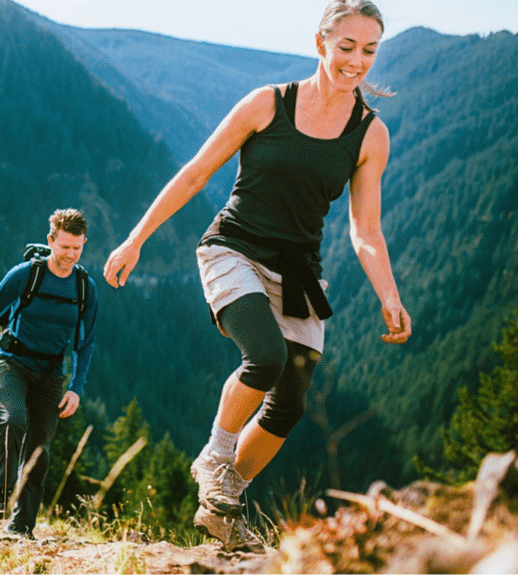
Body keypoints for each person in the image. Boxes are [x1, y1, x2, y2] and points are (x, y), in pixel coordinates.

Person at [102, 0, 412, 553]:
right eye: (346, 47)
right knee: (264, 358)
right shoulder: (268, 104)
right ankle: (216, 457)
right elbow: (197, 171)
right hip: (234, 249)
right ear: (320, 44)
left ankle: (223, 503)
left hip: (298, 270)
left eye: (369, 50)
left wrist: (389, 294)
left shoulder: (370, 135)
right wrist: (136, 237)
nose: (357, 61)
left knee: (290, 399)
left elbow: (365, 229)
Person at [0, 208, 98, 539]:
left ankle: (22, 528)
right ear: (51, 240)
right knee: (12, 419)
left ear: (84, 245)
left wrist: (76, 387)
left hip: (50, 374)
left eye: (77, 248)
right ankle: (2, 494)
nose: (70, 255)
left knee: (39, 451)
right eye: (64, 247)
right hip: (12, 363)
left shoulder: (85, 288)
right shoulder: (25, 275)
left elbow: (86, 343)